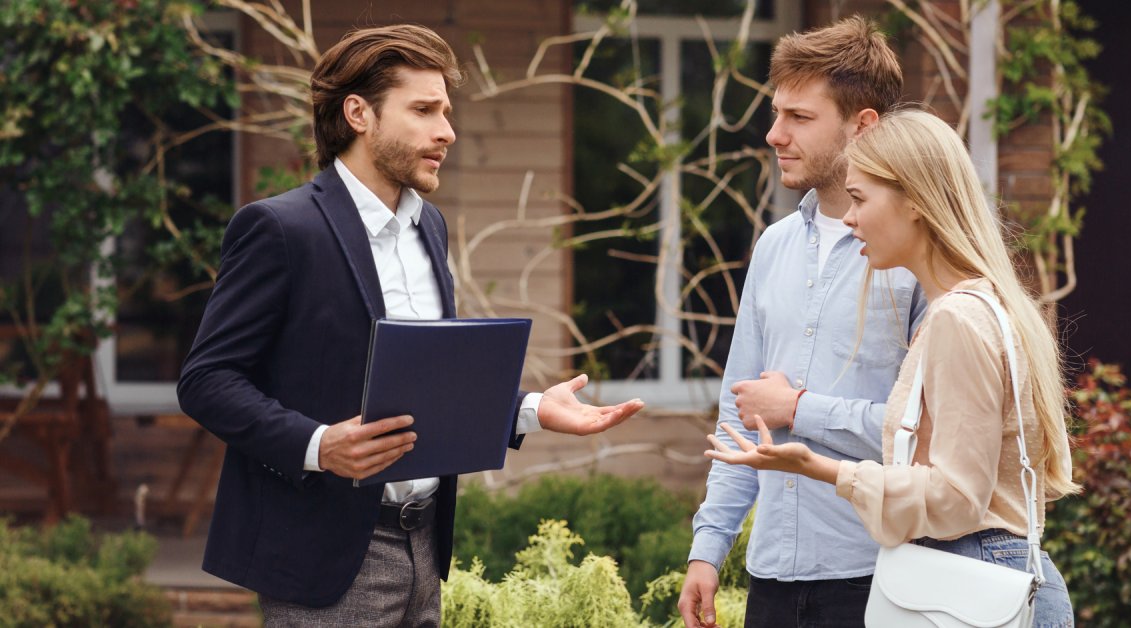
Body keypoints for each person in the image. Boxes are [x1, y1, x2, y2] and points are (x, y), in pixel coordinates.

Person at [176, 24, 644, 626]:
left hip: (424, 548)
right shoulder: (279, 229)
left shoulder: (430, 227)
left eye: (446, 111)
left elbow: (422, 385)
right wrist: (319, 447)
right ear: (358, 114)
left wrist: (527, 410)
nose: (446, 131)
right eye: (423, 110)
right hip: (324, 558)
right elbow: (207, 380)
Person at [706, 109, 1077, 627]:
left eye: (860, 199)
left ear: (916, 203)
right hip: (984, 575)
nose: (850, 218)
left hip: (972, 579)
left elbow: (956, 499)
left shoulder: (958, 319)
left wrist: (820, 467)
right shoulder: (977, 306)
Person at [678, 16, 926, 628]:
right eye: (776, 113)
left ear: (862, 124)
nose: (773, 135)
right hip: (772, 582)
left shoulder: (919, 259)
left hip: (879, 577)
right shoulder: (774, 247)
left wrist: (799, 408)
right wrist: (709, 550)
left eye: (799, 118)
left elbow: (923, 438)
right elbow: (741, 411)